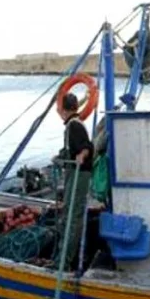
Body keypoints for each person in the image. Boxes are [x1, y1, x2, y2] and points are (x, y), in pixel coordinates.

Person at [53, 92, 94, 269]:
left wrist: (81, 155)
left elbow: (86, 146)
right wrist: (60, 157)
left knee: (72, 217)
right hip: (74, 174)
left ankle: (64, 262)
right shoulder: (74, 124)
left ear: (63, 110)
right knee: (68, 213)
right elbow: (73, 148)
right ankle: (62, 257)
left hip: (79, 174)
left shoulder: (74, 126)